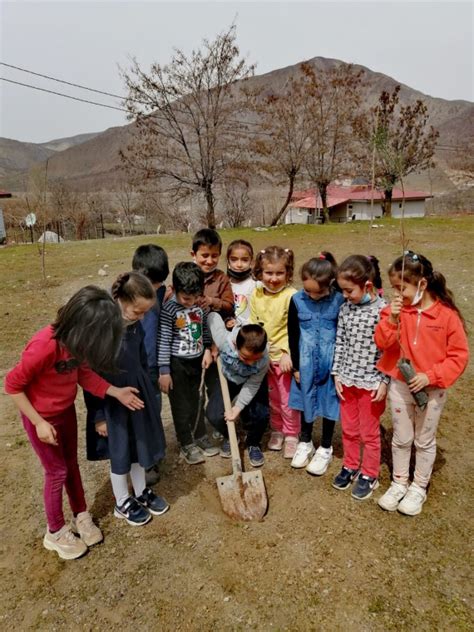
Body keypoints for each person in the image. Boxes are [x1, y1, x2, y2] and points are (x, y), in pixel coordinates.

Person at [5, 286, 145, 559]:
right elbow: (12, 386)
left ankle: (81, 514)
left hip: (65, 413)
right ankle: (55, 531)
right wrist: (38, 423)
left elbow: (85, 376)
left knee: (71, 465)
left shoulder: (78, 347)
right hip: (41, 418)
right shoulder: (45, 345)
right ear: (85, 328)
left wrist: (116, 392)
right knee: (56, 471)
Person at [375, 251, 469, 515]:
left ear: (422, 285)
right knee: (401, 438)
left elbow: (458, 356)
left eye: (401, 287)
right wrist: (392, 320)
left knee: (423, 440)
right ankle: (399, 482)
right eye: (393, 287)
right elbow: (382, 343)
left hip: (432, 390)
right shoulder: (395, 311)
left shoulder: (446, 316)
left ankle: (418, 487)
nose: (396, 293)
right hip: (399, 386)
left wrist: (431, 376)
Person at [85, 272, 169, 527]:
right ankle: (122, 500)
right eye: (137, 311)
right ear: (120, 300)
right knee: (120, 452)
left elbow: (142, 360)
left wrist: (148, 390)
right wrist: (99, 417)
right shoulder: (101, 331)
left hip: (137, 396)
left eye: (145, 312)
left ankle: (141, 491)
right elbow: (91, 380)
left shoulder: (135, 326)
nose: (142, 317)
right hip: (113, 402)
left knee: (139, 446)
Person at [331, 255, 390, 500]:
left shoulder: (384, 311)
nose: (344, 295)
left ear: (367, 285)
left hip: (371, 383)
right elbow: (341, 342)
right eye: (342, 290)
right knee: (349, 429)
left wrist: (384, 381)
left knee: (369, 432)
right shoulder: (345, 309)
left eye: (348, 290)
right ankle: (351, 464)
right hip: (347, 380)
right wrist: (336, 374)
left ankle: (369, 473)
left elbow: (390, 350)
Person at [288, 253, 344, 474]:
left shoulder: (340, 300)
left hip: (331, 362)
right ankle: (305, 441)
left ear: (330, 284)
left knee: (330, 403)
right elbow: (292, 333)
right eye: (308, 290)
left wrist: (340, 367)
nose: (312, 295)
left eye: (318, 291)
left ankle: (326, 447)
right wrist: (295, 366)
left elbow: (343, 333)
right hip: (306, 362)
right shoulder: (296, 300)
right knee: (306, 401)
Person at [158, 262, 214, 465]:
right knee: (180, 405)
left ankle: (200, 435)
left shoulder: (200, 307)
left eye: (195, 297)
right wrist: (164, 370)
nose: (190, 302)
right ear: (175, 289)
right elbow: (163, 340)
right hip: (176, 365)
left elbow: (205, 331)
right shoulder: (169, 309)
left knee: (198, 398)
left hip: (197, 362)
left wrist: (207, 349)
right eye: (186, 298)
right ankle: (186, 441)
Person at [250, 246, 300, 459]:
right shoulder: (256, 294)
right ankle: (277, 429)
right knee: (271, 398)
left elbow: (296, 329)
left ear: (288, 274)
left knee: (287, 398)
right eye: (269, 273)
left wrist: (289, 353)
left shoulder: (292, 296)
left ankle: (291, 434)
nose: (273, 278)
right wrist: (260, 353)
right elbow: (254, 326)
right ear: (260, 273)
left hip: (284, 358)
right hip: (264, 358)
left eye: (279, 273)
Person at [206, 313, 269, 467]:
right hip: (229, 379)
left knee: (261, 415)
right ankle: (231, 435)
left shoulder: (264, 360)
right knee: (213, 414)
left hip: (250, 381)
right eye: (245, 357)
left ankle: (253, 441)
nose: (250, 362)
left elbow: (252, 386)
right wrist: (210, 346)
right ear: (235, 345)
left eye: (255, 359)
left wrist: (238, 407)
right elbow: (212, 317)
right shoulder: (224, 341)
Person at [132, 243, 169, 486]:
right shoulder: (124, 298)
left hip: (153, 367)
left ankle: (153, 457)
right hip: (134, 370)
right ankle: (141, 461)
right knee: (138, 415)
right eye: (152, 285)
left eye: (157, 285)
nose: (154, 290)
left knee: (154, 411)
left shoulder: (161, 293)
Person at [225, 239, 256, 328]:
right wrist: (227, 321)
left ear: (251, 262)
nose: (239, 264)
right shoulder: (225, 284)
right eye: (234, 260)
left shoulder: (255, 285)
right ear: (228, 262)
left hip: (250, 331)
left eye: (244, 260)